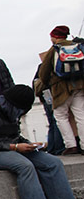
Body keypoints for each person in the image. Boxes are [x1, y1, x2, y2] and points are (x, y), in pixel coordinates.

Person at [37, 25, 84, 155]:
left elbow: (44, 72)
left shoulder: (55, 49)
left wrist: (46, 83)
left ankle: (71, 145)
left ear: (55, 37)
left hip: (60, 89)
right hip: (78, 86)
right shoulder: (78, 46)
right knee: (81, 116)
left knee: (61, 116)